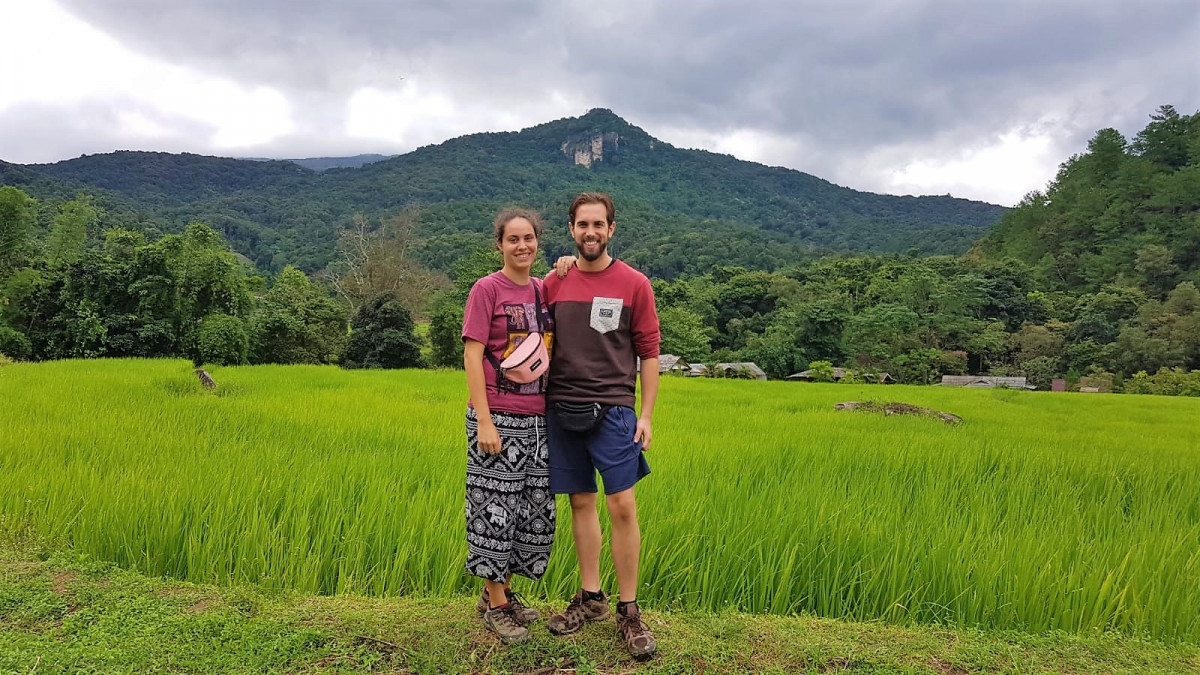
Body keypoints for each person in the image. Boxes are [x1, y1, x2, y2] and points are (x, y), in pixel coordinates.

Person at [543, 192, 660, 660]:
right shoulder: (554, 282)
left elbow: (649, 353)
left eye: (599, 224)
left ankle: (628, 610)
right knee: (580, 502)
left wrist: (646, 414)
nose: (590, 232)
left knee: (623, 505)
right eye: (582, 225)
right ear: (571, 229)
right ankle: (590, 597)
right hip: (562, 406)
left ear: (612, 229)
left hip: (613, 409)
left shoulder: (634, 284)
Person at [461, 207, 557, 645]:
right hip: (497, 416)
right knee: (493, 509)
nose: (522, 246)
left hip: (537, 419)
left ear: (539, 242)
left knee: (527, 512)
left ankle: (497, 592)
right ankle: (497, 607)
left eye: (529, 238)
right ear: (499, 245)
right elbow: (472, 355)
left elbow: (573, 279)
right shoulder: (487, 289)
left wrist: (568, 264)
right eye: (513, 239)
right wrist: (484, 419)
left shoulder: (541, 290)